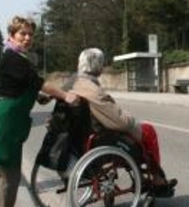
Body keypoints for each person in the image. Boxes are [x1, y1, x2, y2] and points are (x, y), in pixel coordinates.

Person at [0, 16, 78, 207]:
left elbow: (23, 85)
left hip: (12, 118)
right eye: (22, 33)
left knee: (12, 169)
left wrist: (40, 97)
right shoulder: (14, 58)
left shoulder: (18, 57)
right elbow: (39, 82)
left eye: (30, 34)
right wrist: (64, 95)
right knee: (7, 171)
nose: (27, 38)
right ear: (11, 36)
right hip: (7, 119)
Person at [67, 48, 177, 196]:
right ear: (98, 66)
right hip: (103, 137)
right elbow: (121, 123)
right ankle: (157, 178)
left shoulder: (73, 83)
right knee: (148, 131)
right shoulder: (93, 90)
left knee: (139, 136)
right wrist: (130, 118)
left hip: (84, 135)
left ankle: (147, 176)